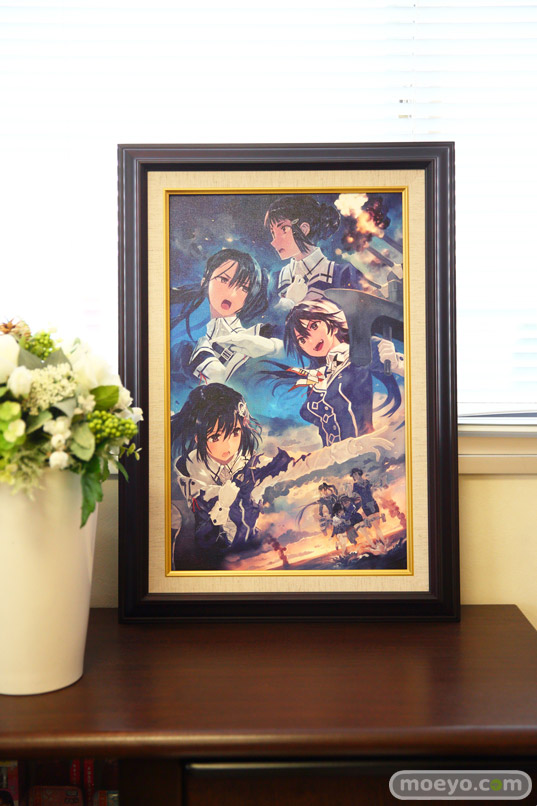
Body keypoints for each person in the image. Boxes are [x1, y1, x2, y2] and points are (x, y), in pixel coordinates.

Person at [263, 297, 403, 446]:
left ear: (333, 325)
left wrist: (395, 363)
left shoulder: (360, 351)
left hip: (363, 449)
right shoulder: (319, 377)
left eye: (314, 326)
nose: (311, 341)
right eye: (302, 340)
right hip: (335, 455)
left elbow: (410, 369)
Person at [170, 248, 283, 385]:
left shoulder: (254, 334)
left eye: (244, 288)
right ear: (205, 281)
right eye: (224, 279)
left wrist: (274, 348)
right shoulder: (184, 325)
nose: (232, 294)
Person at [264, 195, 376, 306]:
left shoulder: (344, 274)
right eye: (273, 233)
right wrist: (290, 302)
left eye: (284, 229)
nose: (274, 242)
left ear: (304, 229)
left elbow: (364, 312)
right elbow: (267, 317)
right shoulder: (276, 279)